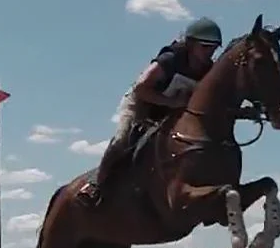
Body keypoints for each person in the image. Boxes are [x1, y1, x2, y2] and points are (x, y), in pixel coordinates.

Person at [78, 17, 228, 207]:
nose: (210, 52)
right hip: (141, 104)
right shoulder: (170, 60)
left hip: (169, 112)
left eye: (214, 47)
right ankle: (95, 185)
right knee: (122, 139)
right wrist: (172, 102)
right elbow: (141, 88)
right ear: (190, 43)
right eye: (205, 46)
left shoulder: (208, 69)